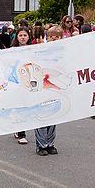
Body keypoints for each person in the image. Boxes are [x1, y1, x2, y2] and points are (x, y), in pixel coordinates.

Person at [34, 25, 62, 156]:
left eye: (56, 36)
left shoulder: (63, 52)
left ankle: (50, 143)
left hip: (55, 88)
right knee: (42, 115)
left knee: (53, 115)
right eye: (51, 36)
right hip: (42, 86)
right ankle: (41, 145)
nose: (54, 38)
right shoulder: (41, 50)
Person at [11, 26, 32, 145]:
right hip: (17, 81)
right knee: (20, 106)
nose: (23, 37)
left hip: (30, 81)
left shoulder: (33, 49)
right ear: (17, 37)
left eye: (25, 35)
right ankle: (21, 133)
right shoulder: (13, 50)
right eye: (20, 35)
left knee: (28, 105)